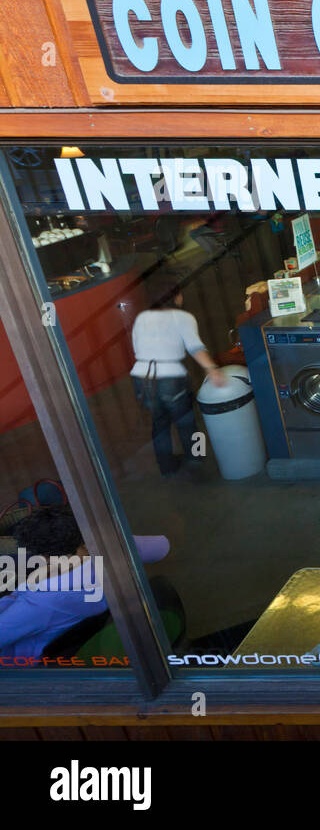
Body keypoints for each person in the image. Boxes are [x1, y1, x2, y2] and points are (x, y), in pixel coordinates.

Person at [0, 505, 169, 658]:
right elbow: (161, 547)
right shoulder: (112, 550)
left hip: (20, 659)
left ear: (43, 556)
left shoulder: (39, 603)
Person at [130, 272, 227, 476]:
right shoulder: (183, 317)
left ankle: (166, 468)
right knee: (187, 422)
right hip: (171, 378)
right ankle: (196, 459)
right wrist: (212, 369)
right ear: (177, 296)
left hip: (141, 378)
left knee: (159, 424)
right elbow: (195, 347)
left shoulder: (141, 318)